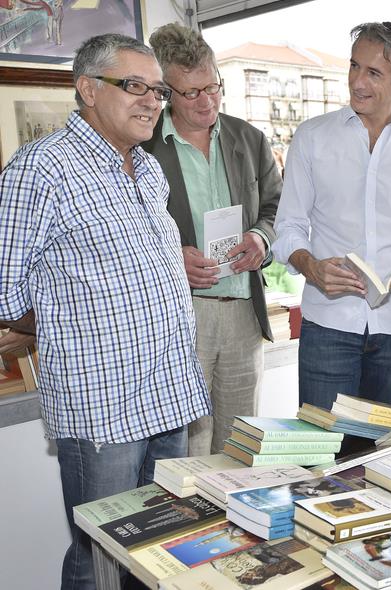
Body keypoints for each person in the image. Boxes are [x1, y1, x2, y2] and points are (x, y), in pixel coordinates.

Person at [0, 34, 210, 590]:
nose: (151, 101)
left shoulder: (148, 168)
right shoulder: (42, 170)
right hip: (104, 408)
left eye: (158, 90)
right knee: (99, 563)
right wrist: (59, 320)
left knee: (157, 551)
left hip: (167, 397)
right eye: (133, 86)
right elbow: (4, 292)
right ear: (87, 89)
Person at [272, 22, 391, 410]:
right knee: (323, 456)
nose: (357, 82)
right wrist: (311, 266)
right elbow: (288, 227)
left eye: (373, 73)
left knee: (384, 455)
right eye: (354, 66)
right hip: (328, 324)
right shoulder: (311, 137)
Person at [142, 23, 282, 455]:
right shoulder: (142, 148)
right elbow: (128, 235)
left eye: (213, 87)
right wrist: (170, 258)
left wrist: (261, 237)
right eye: (191, 92)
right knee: (186, 451)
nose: (207, 101)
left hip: (243, 313)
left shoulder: (250, 139)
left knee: (241, 447)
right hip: (181, 318)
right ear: (165, 92)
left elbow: (279, 209)